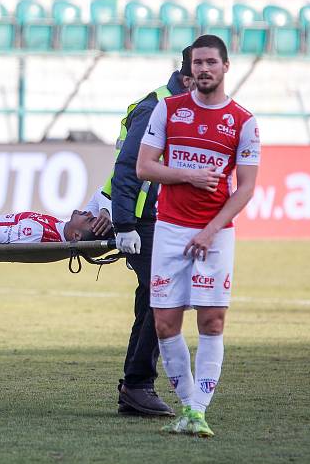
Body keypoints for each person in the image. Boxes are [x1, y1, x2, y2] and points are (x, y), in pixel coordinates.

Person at [136, 35, 260, 437]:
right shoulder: (168, 110)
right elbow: (144, 167)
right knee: (165, 325)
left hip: (216, 234)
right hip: (170, 229)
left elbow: (245, 188)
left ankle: (198, 410)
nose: (204, 69)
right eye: (197, 63)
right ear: (189, 69)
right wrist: (189, 174)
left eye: (211, 62)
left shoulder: (243, 121)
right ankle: (189, 409)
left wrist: (209, 231)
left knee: (213, 320)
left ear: (226, 67)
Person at [107, 47, 194, 417]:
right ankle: (138, 384)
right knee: (164, 298)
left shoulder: (183, 108)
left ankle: (135, 385)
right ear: (188, 77)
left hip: (165, 221)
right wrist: (124, 224)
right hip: (143, 223)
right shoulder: (157, 106)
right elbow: (128, 167)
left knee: (153, 300)